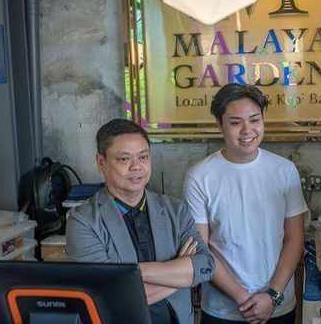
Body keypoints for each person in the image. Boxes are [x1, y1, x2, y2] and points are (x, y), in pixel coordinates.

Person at [66, 118, 214, 324]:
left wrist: (124, 274)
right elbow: (104, 296)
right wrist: (179, 273)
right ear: (101, 163)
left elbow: (205, 266)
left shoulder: (175, 210)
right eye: (124, 159)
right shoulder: (83, 220)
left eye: (143, 157)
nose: (136, 167)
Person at [184, 84, 308, 323]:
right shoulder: (200, 176)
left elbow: (294, 238)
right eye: (235, 122)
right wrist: (243, 298)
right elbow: (201, 247)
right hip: (222, 311)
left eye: (254, 120)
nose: (247, 130)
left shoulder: (284, 170)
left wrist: (272, 295)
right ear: (219, 124)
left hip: (278, 305)